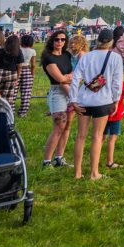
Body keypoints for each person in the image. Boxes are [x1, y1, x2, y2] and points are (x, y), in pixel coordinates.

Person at [69, 27, 124, 180]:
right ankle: (94, 173)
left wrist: (73, 99)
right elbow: (117, 83)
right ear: (112, 42)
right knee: (97, 137)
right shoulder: (115, 58)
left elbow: (75, 79)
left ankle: (77, 173)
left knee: (80, 136)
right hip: (103, 101)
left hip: (83, 100)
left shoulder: (86, 57)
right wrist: (116, 100)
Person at [41, 29, 75, 167]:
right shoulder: (48, 57)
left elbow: (73, 71)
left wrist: (68, 77)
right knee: (58, 128)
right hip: (57, 93)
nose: (60, 42)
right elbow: (60, 79)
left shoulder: (67, 55)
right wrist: (66, 78)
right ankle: (47, 161)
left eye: (62, 39)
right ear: (52, 40)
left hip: (70, 91)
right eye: (57, 39)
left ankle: (59, 158)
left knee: (67, 127)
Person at [104, 80, 124, 170]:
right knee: (112, 138)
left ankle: (95, 160)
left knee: (100, 137)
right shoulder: (119, 81)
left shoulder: (104, 80)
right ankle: (110, 162)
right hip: (116, 114)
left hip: (103, 112)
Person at [0, 33, 24, 107]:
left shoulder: (0, 51)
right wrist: (18, 76)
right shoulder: (18, 51)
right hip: (12, 73)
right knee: (9, 95)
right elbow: (20, 65)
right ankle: (6, 111)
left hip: (0, 72)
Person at [17, 35, 36, 118]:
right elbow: (33, 65)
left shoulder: (17, 49)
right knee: (26, 93)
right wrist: (32, 74)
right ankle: (23, 113)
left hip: (16, 70)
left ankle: (11, 109)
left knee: (13, 92)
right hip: (27, 71)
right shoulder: (32, 51)